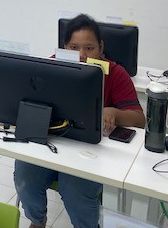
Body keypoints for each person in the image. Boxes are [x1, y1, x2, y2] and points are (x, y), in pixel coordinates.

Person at [14, 14, 145, 228]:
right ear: (64, 47)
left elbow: (139, 119)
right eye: (74, 48)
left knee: (74, 191)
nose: (82, 55)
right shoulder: (52, 65)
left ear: (101, 47)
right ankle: (38, 221)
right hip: (55, 141)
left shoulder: (115, 72)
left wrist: (114, 113)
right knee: (24, 178)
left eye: (89, 48)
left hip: (93, 151)